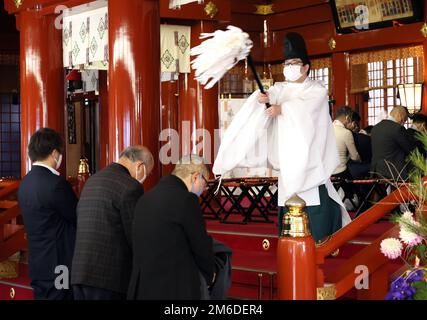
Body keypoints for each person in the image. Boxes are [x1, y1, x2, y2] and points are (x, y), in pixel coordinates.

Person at [213, 32, 351, 243]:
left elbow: (305, 111)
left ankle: (321, 239)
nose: (290, 66)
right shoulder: (280, 88)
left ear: (306, 67)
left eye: (295, 62)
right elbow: (271, 99)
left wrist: (282, 109)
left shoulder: (316, 90)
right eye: (287, 62)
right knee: (288, 197)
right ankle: (289, 242)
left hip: (311, 157)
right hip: (288, 158)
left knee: (313, 197)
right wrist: (262, 100)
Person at [71, 146, 154, 300]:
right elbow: (135, 235)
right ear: (140, 166)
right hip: (108, 278)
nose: (145, 178)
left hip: (79, 273)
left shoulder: (93, 180)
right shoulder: (130, 186)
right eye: (147, 174)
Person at [128, 155, 215, 300]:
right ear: (195, 177)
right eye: (205, 183)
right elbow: (201, 246)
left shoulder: (145, 198)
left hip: (143, 288)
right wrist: (210, 275)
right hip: (173, 289)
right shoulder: (186, 200)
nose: (204, 190)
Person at [18, 128, 77, 300]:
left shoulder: (25, 183)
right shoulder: (56, 184)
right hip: (59, 263)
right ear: (54, 153)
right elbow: (77, 216)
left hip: (38, 261)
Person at [371, 106, 416, 180]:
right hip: (393, 171)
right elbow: (410, 149)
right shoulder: (398, 128)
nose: (403, 122)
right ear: (400, 115)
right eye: (404, 120)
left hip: (376, 170)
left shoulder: (375, 127)